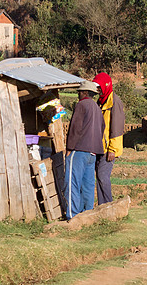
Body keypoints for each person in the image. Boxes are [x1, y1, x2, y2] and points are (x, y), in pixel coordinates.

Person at [64, 81, 105, 219]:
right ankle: (87, 214)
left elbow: (75, 128)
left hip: (79, 149)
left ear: (85, 93)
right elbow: (102, 128)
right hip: (93, 152)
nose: (78, 94)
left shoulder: (81, 105)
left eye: (79, 92)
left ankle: (73, 215)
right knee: (88, 185)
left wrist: (69, 147)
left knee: (72, 183)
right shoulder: (97, 108)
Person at [92, 72, 125, 205]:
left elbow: (116, 127)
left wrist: (113, 149)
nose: (98, 90)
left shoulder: (114, 102)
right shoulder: (101, 101)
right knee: (100, 177)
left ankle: (108, 205)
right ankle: (103, 205)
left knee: (102, 176)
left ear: (106, 85)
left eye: (99, 87)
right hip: (100, 146)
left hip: (108, 149)